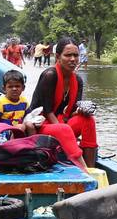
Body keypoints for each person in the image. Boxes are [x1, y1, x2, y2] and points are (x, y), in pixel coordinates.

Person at [28, 37, 96, 171]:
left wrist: (81, 111)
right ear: (58, 56)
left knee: (88, 120)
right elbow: (47, 111)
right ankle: (84, 171)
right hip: (41, 124)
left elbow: (73, 110)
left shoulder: (78, 80)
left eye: (76, 55)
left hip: (62, 123)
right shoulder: (49, 75)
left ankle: (91, 168)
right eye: (68, 55)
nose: (73, 59)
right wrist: (64, 129)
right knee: (64, 129)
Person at [0, 70, 33, 143]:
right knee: (20, 127)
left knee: (30, 125)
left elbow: (28, 116)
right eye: (10, 87)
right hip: (6, 131)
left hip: (20, 129)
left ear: (23, 88)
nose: (14, 89)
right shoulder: (1, 102)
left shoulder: (24, 101)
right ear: (4, 89)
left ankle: (32, 144)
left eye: (17, 86)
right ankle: (11, 146)